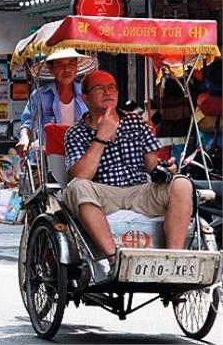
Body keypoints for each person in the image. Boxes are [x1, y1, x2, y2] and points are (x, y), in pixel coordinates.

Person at [63, 70, 192, 273]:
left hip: (139, 190)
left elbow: (152, 164)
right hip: (102, 194)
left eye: (112, 87)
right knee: (76, 187)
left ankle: (173, 262)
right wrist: (101, 136)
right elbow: (82, 175)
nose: (108, 92)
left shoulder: (135, 121)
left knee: (182, 183)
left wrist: (164, 168)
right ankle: (115, 260)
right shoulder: (76, 132)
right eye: (100, 88)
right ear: (85, 98)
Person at [16, 49, 97, 157]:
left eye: (71, 62)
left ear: (76, 65)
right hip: (48, 158)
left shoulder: (87, 96)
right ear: (51, 68)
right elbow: (29, 123)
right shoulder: (39, 96)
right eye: (60, 64)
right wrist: (24, 139)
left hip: (81, 157)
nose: (66, 69)